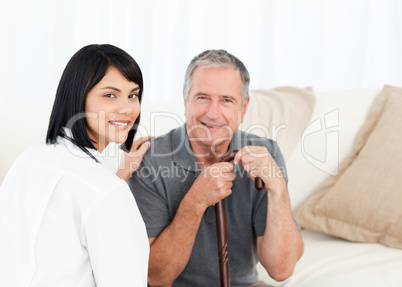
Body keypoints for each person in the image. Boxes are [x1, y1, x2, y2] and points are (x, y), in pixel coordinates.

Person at [128, 49, 304, 287]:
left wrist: (279, 191)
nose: (213, 113)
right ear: (185, 101)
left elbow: (281, 269)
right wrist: (195, 202)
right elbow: (156, 277)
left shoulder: (266, 154)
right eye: (202, 97)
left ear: (243, 108)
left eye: (226, 100)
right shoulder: (151, 159)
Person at [0, 44, 152, 286]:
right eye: (110, 95)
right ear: (78, 97)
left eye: (133, 95)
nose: (127, 108)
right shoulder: (106, 191)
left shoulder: (28, 159)